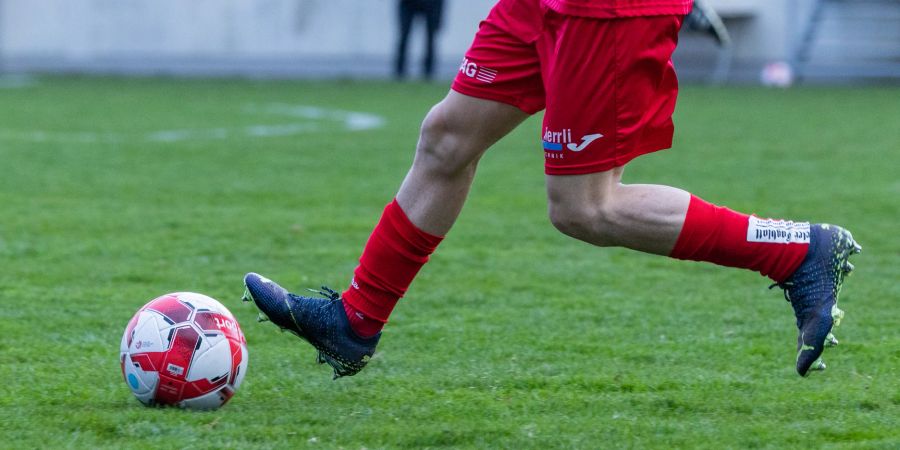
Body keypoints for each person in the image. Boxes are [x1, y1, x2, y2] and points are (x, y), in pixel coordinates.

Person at [243, 0, 861, 379]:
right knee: (446, 139)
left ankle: (795, 250)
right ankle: (355, 322)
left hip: (607, 11)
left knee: (584, 208)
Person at [394, 0, 446, 80]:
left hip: (432, 3)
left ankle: (429, 71)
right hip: (408, 3)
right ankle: (399, 71)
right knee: (404, 35)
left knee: (430, 37)